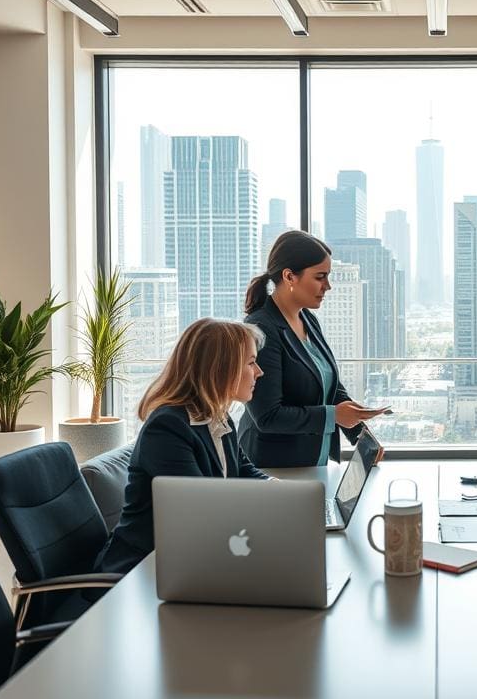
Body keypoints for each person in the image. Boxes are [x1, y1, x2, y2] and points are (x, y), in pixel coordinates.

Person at [95, 318, 269, 575]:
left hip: (191, 556)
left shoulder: (218, 416)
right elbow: (200, 508)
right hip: (142, 570)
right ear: (221, 368)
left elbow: (243, 470)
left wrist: (283, 493)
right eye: (251, 362)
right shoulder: (167, 427)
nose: (259, 372)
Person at [239, 230, 387, 468]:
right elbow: (267, 416)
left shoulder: (307, 318)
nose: (327, 286)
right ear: (289, 277)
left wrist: (361, 436)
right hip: (273, 466)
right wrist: (333, 416)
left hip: (310, 461)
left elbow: (328, 383)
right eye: (320, 277)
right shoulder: (262, 328)